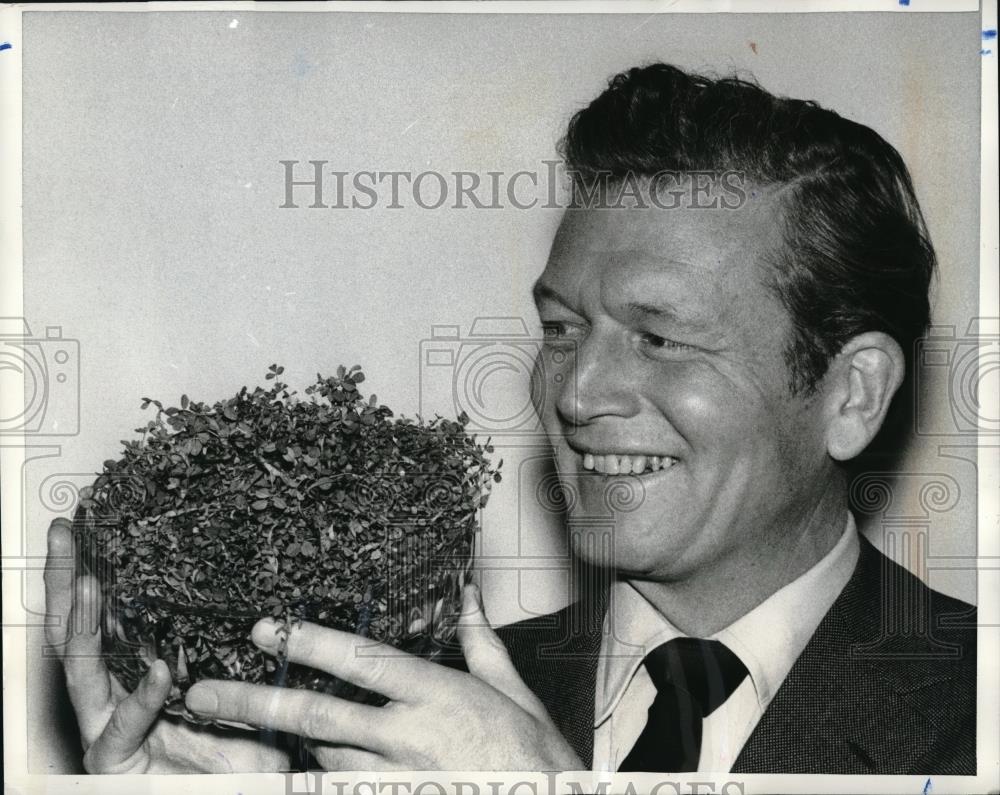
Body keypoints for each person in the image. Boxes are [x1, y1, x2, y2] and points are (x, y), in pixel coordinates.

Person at [44, 63, 975, 775]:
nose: (575, 393)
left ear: (851, 394)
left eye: (660, 339)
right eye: (564, 328)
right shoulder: (381, 714)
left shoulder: (974, 716)